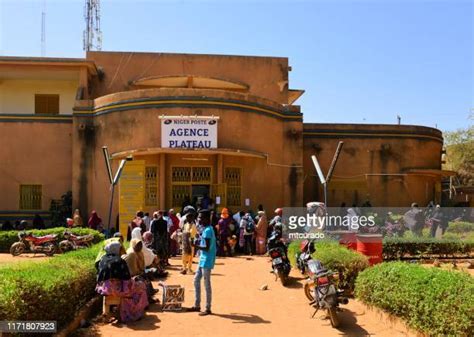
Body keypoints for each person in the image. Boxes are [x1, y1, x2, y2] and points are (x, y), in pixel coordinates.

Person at [96, 242, 148, 323]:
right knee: (141, 286)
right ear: (117, 250)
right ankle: (133, 311)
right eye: (120, 249)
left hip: (104, 289)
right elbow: (127, 280)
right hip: (118, 290)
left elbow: (99, 276)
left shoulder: (102, 259)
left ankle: (107, 313)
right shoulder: (119, 261)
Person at [190, 209, 216, 316]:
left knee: (206, 284)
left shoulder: (208, 230)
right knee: (196, 280)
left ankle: (208, 308)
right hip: (203, 259)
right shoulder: (206, 229)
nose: (199, 219)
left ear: (206, 218)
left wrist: (195, 246)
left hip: (207, 260)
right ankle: (197, 305)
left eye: (200, 217)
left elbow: (206, 247)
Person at [181, 206, 197, 274]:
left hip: (190, 242)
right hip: (185, 242)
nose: (187, 219)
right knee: (184, 255)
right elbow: (184, 231)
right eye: (186, 218)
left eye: (188, 218)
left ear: (191, 218)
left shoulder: (193, 225)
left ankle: (189, 269)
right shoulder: (185, 224)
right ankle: (184, 268)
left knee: (190, 256)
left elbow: (192, 234)